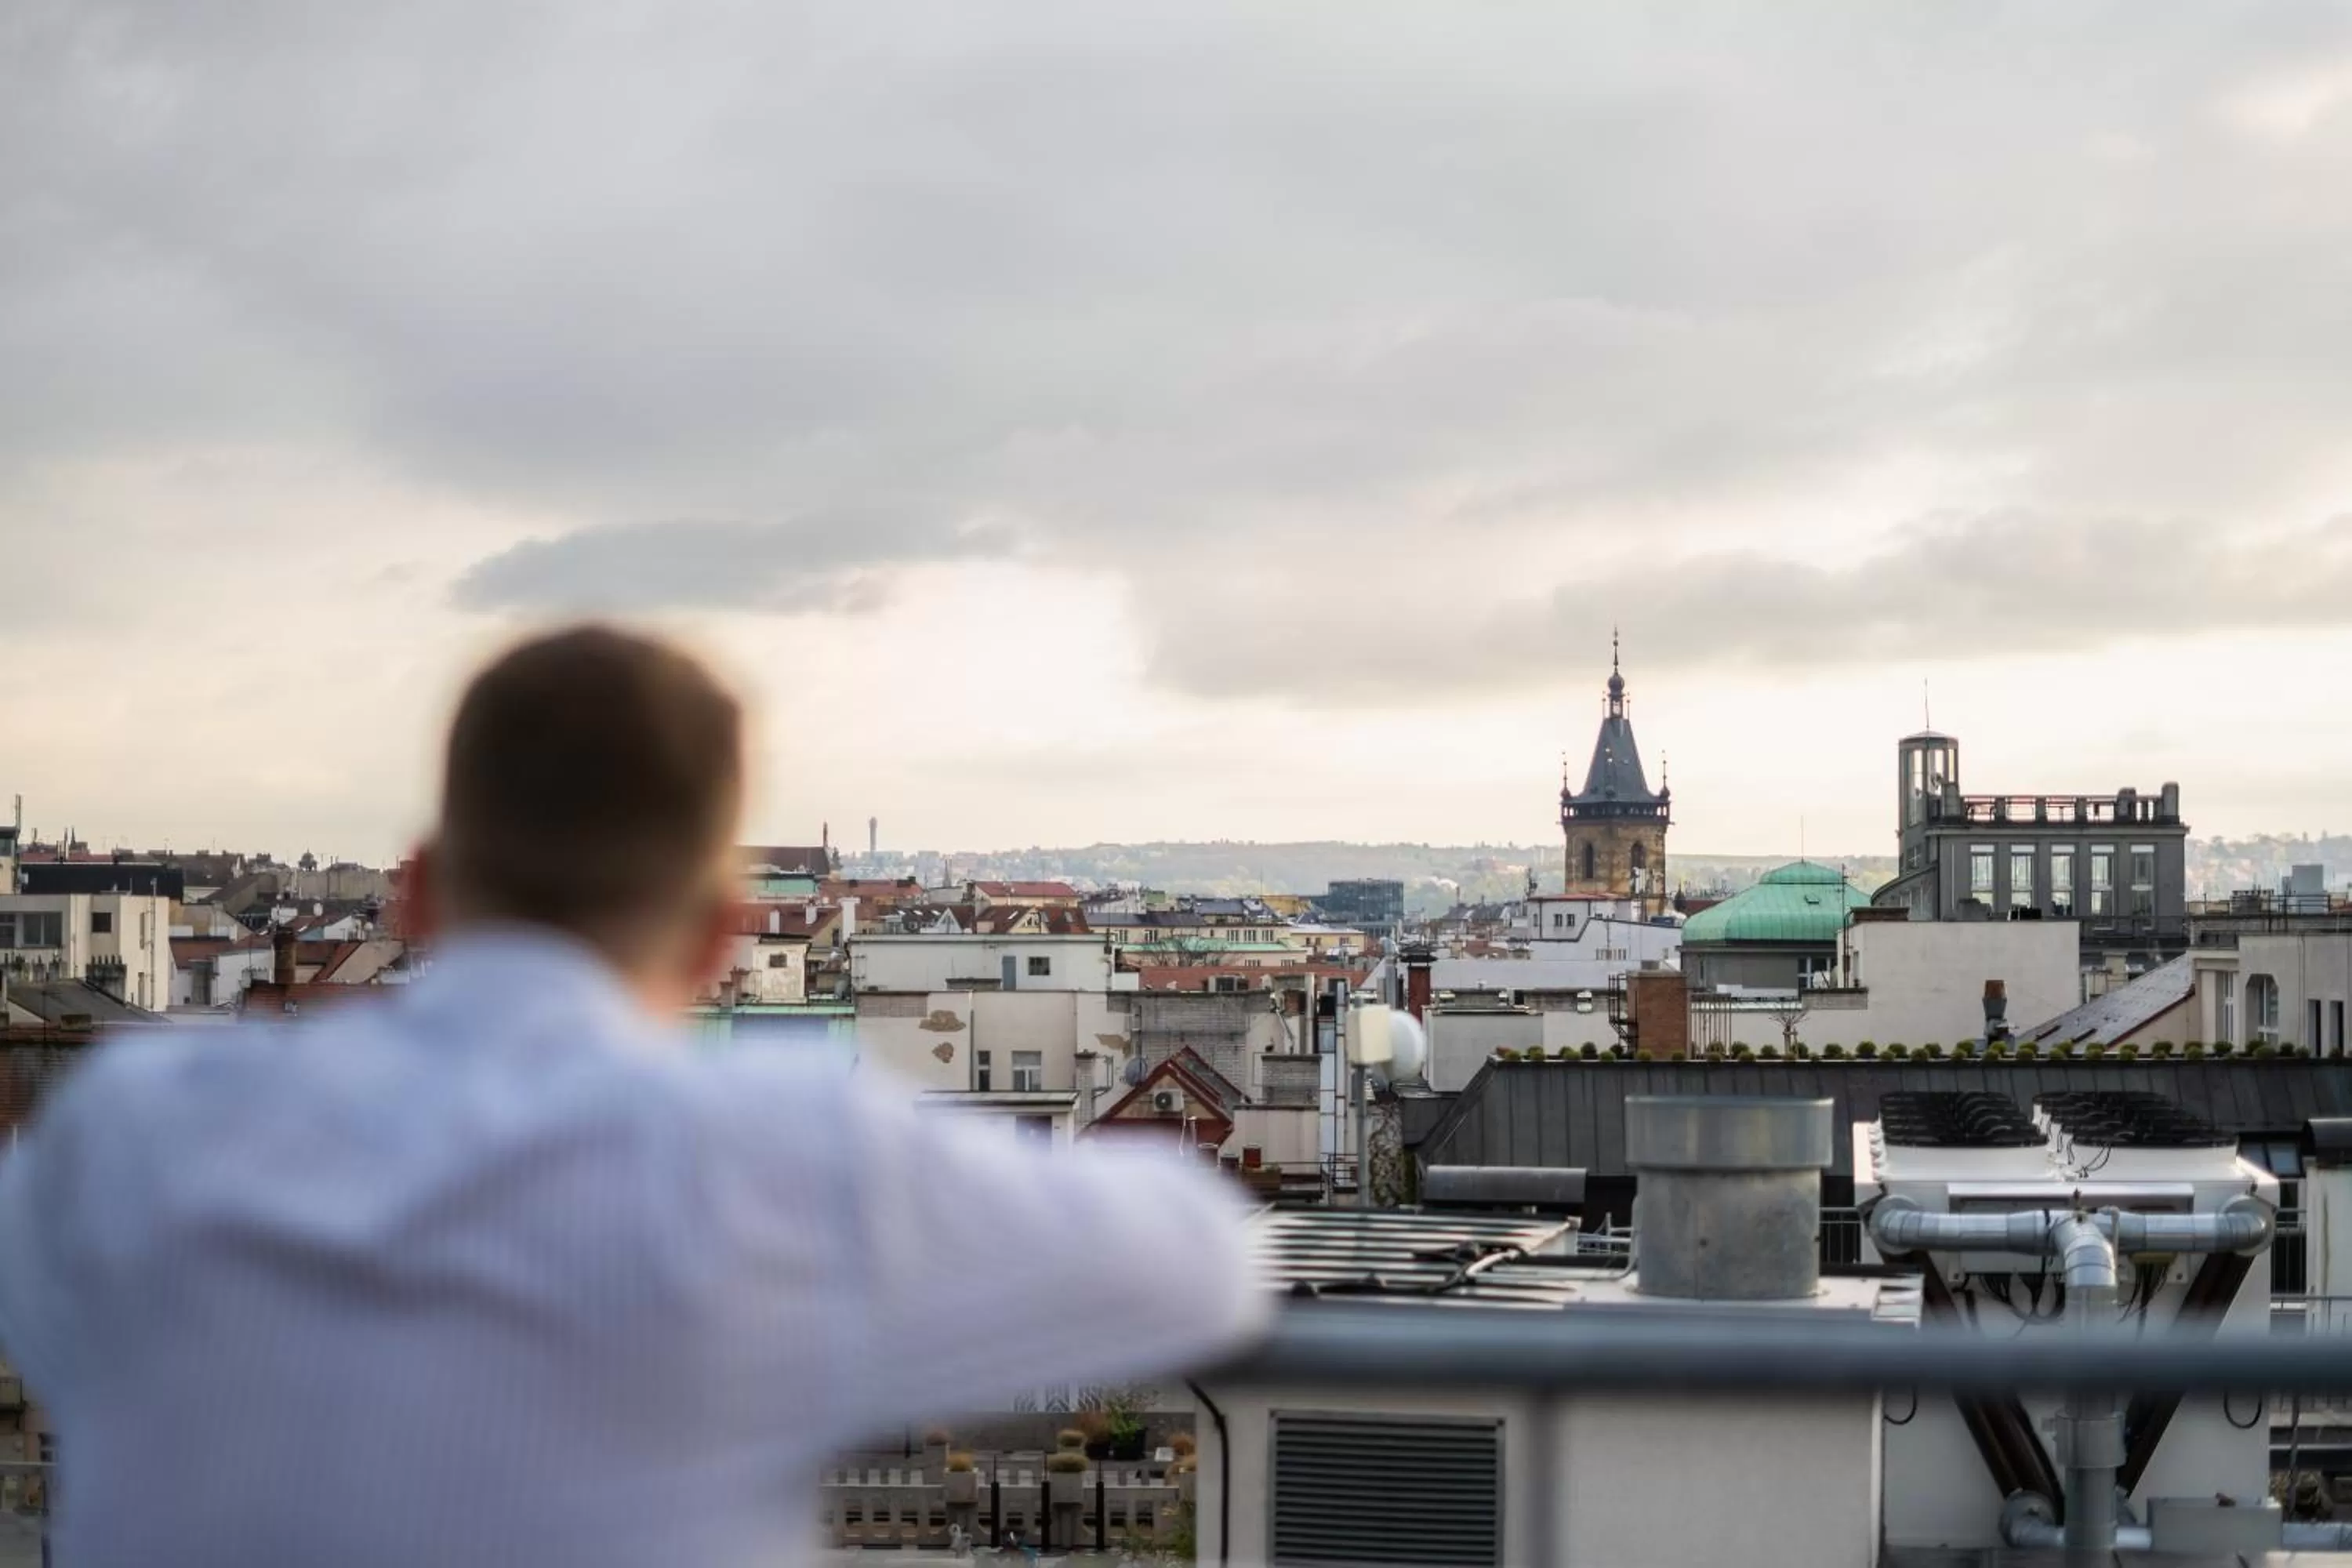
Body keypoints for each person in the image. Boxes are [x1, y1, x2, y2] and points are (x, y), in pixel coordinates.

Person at [0, 626, 1265, 1567]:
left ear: (419, 894)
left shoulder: (132, 1131)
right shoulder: (764, 1160)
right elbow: (1199, 1255)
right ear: (723, 936)